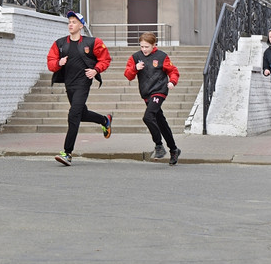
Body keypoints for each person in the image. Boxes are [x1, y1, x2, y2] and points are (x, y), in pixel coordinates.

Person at [47, 11, 113, 166]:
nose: (70, 24)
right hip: (69, 84)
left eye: (74, 22)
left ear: (81, 25)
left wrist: (96, 70)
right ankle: (105, 120)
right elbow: (51, 62)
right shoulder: (60, 43)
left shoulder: (93, 42)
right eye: (69, 22)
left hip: (83, 83)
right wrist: (58, 63)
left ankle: (67, 153)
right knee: (81, 114)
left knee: (73, 115)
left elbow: (105, 59)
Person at [124, 32, 181, 165]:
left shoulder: (161, 56)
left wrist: (172, 81)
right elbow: (128, 75)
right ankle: (174, 149)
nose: (144, 50)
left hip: (159, 90)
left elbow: (173, 71)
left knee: (148, 117)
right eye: (142, 46)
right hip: (146, 93)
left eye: (147, 47)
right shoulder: (135, 57)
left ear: (153, 45)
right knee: (160, 121)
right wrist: (135, 68)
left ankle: (159, 146)